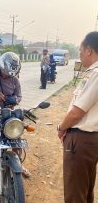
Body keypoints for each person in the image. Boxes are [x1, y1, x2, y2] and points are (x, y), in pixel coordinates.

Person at [57, 31, 98, 203]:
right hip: (89, 141)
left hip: (81, 140)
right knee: (84, 189)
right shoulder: (92, 72)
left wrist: (61, 128)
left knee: (75, 193)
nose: (80, 54)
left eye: (81, 50)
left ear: (89, 50)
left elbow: (77, 112)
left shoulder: (96, 73)